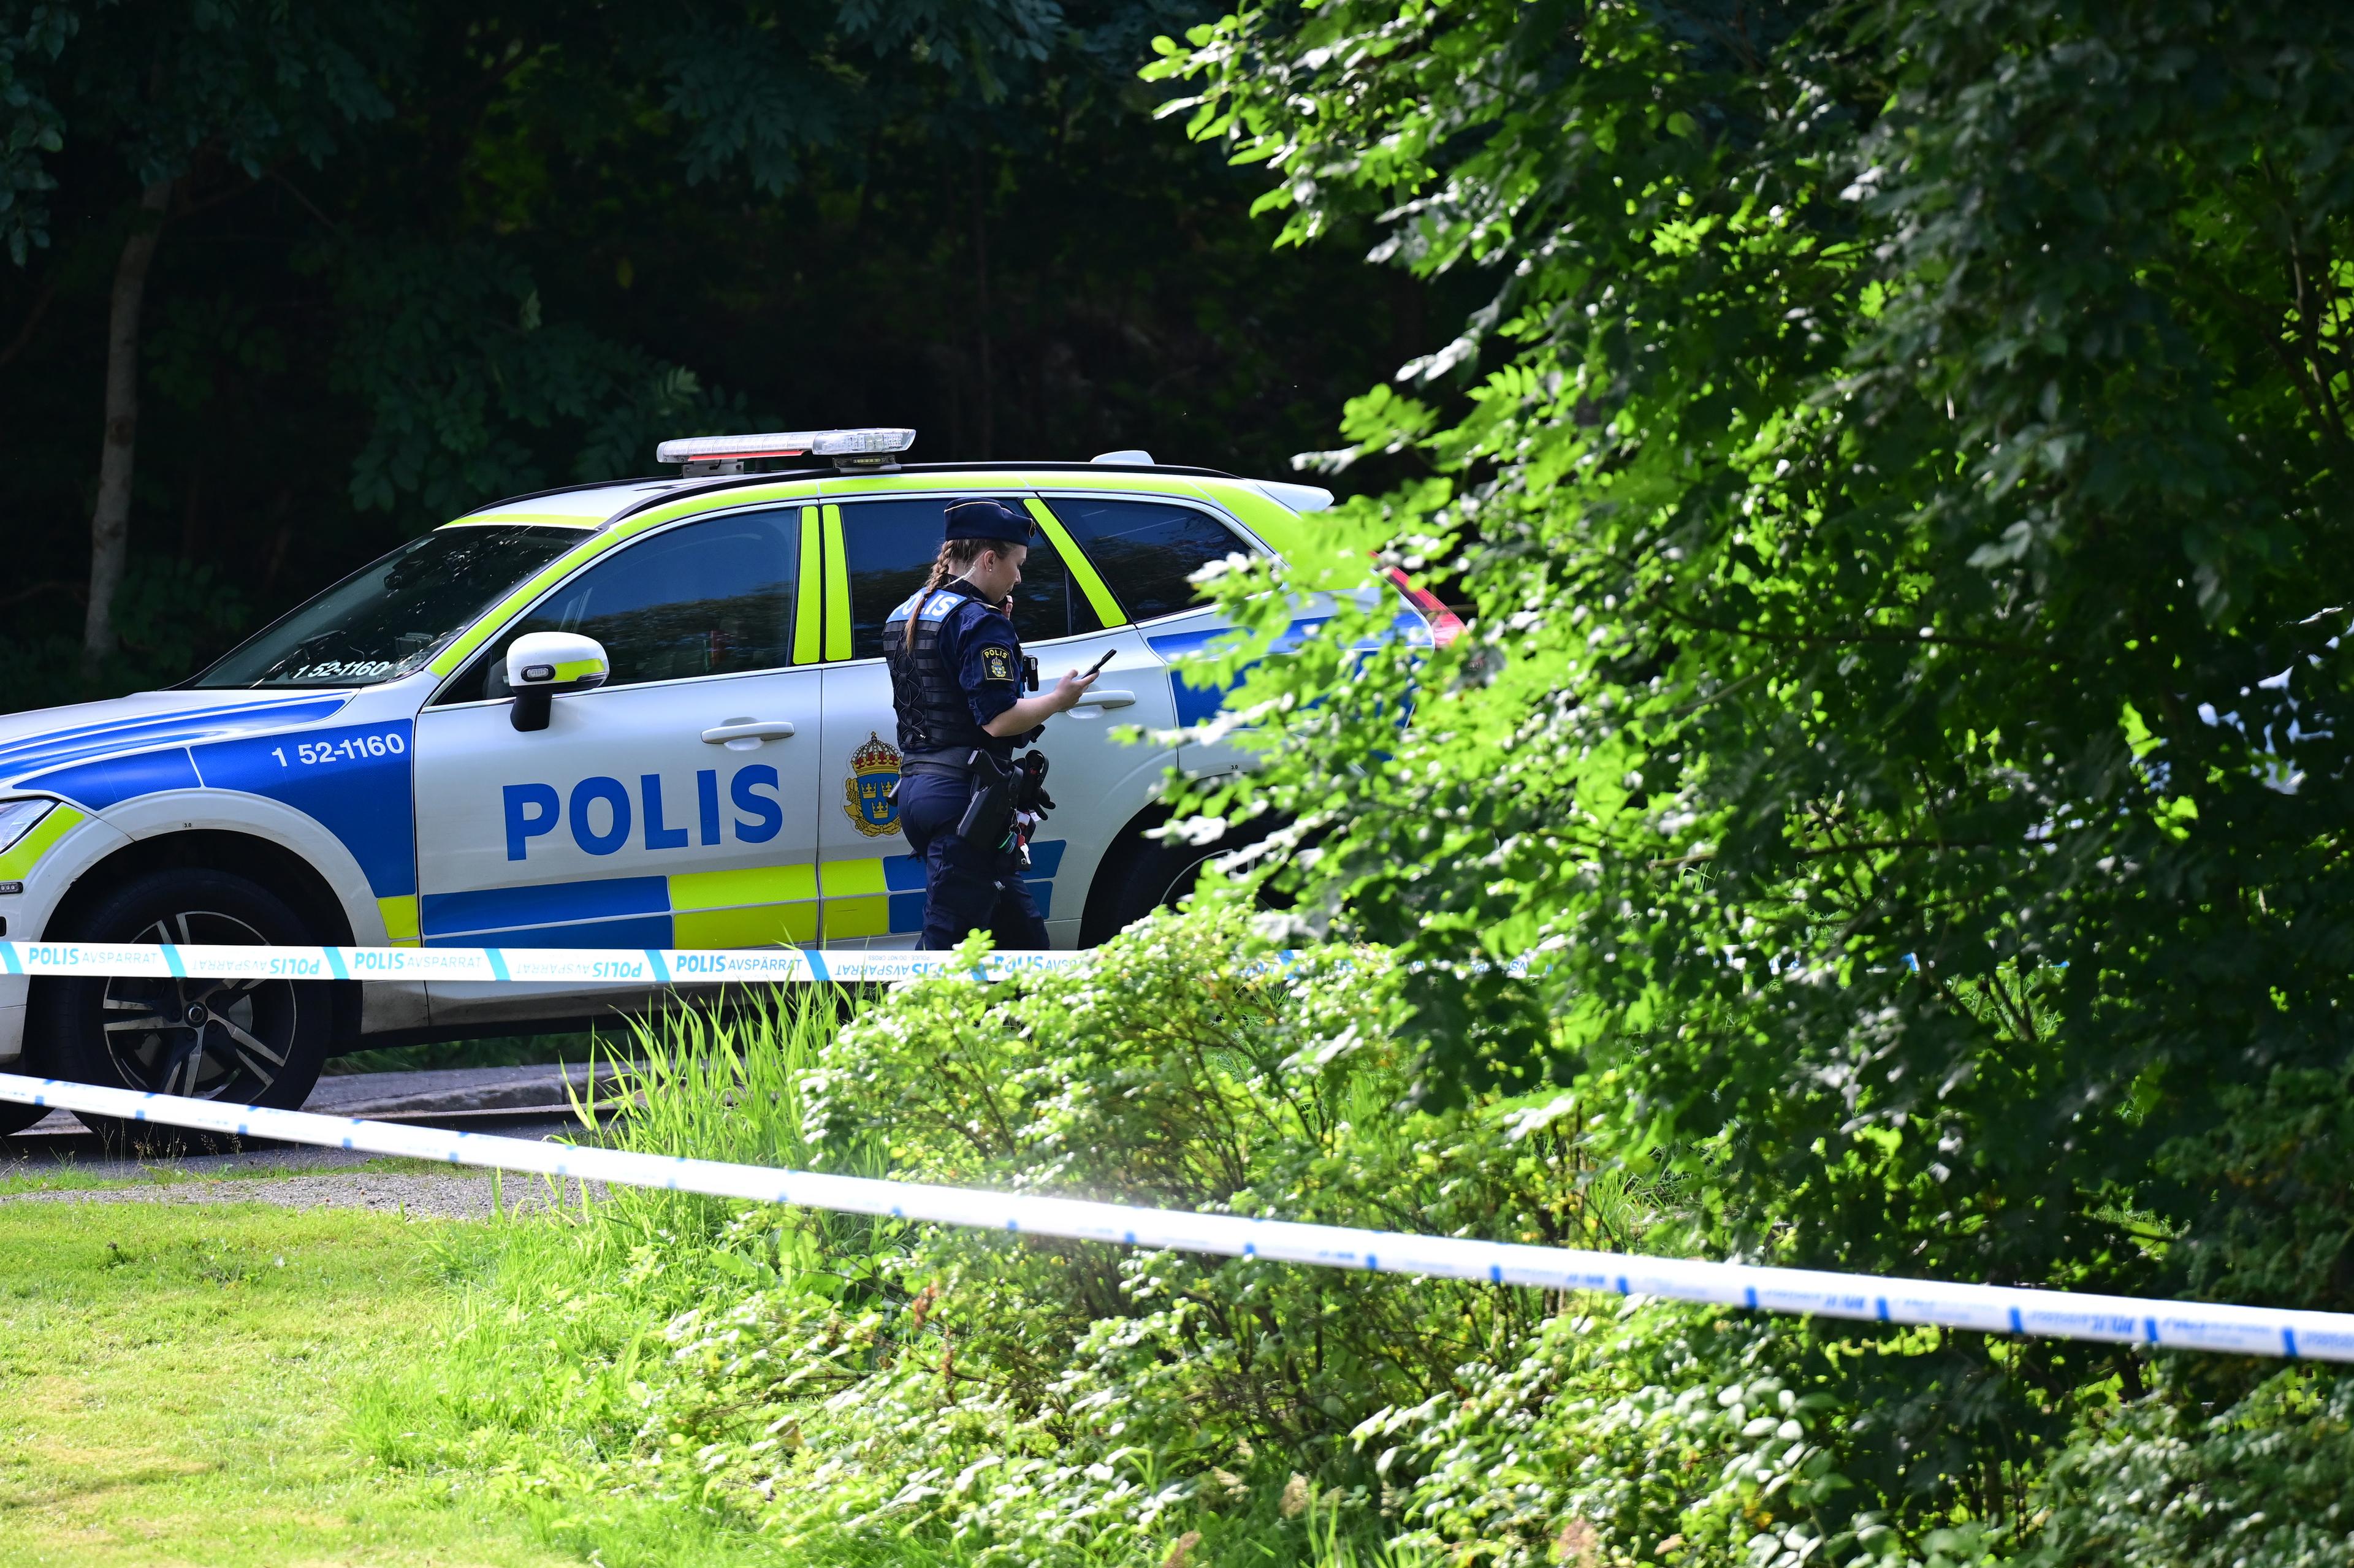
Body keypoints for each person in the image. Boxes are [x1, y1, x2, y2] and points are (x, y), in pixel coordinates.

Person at [885, 498, 1100, 950]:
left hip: (919, 793)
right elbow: (999, 721)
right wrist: (1060, 699)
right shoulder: (978, 622)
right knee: (944, 949)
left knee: (1025, 942)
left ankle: (1039, 1021)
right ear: (989, 559)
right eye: (1016, 564)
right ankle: (903, 1023)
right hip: (964, 803)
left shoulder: (907, 612)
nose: (1019, 577)